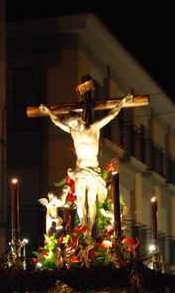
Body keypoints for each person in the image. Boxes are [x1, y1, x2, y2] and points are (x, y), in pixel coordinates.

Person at [39, 94, 134, 234]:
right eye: (71, 126)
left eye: (75, 124)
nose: (74, 128)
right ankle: (84, 227)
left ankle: (90, 229)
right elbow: (58, 122)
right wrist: (48, 112)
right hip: (79, 170)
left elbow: (111, 115)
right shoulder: (73, 132)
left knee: (91, 201)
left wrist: (121, 103)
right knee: (81, 200)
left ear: (80, 120)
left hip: (92, 171)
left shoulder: (94, 128)